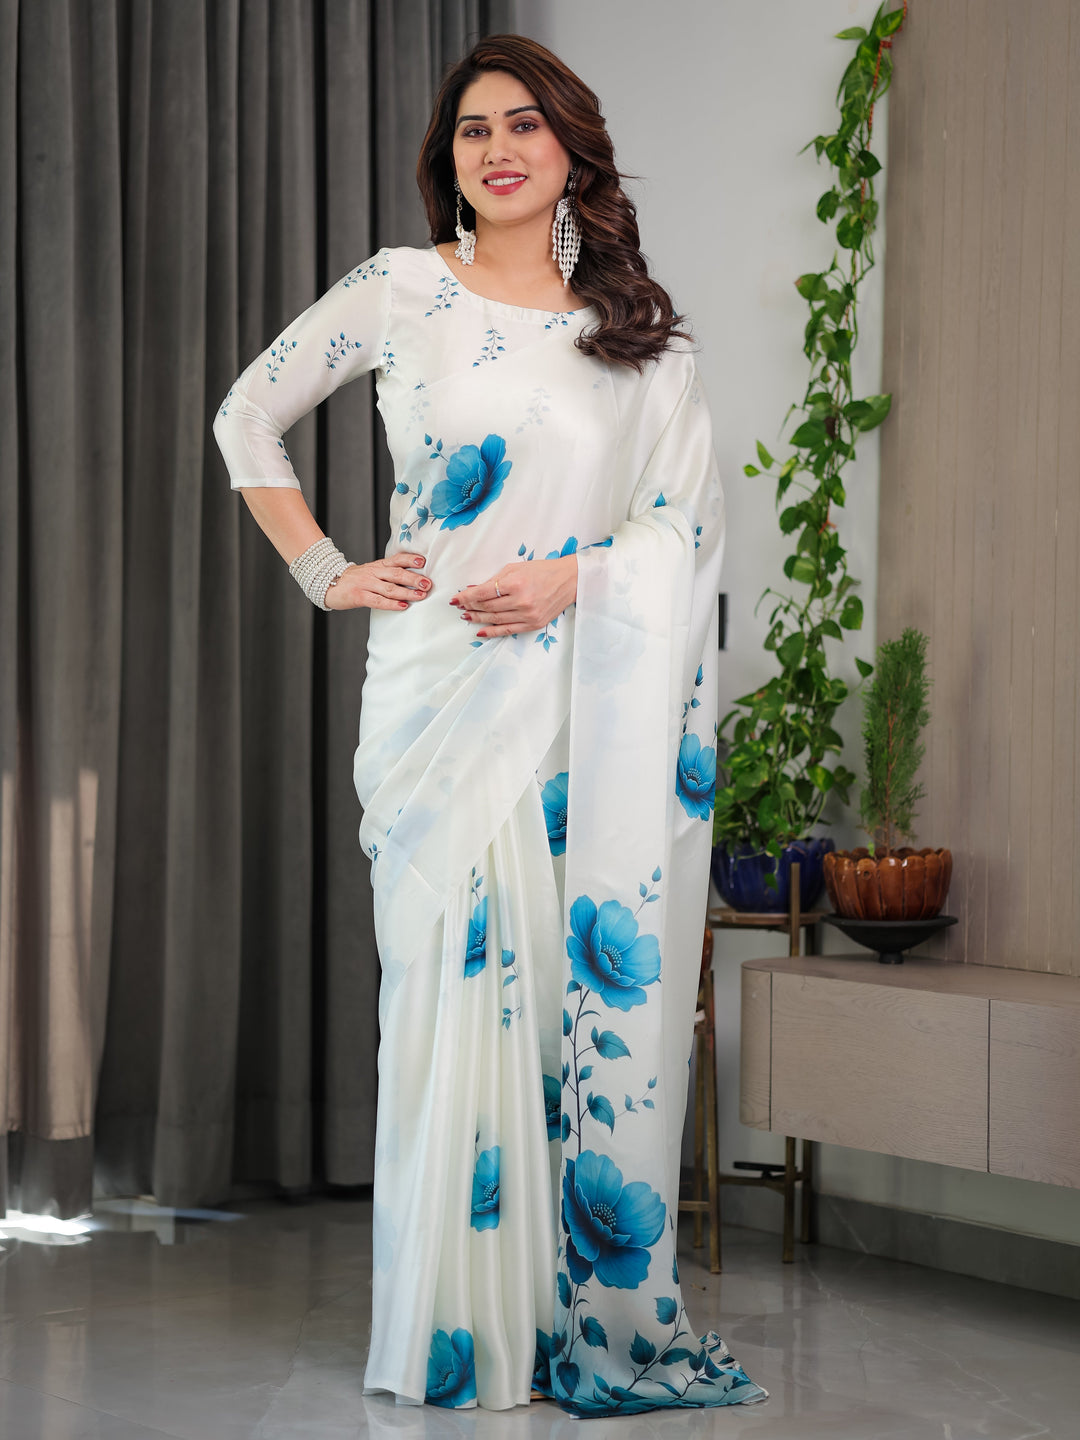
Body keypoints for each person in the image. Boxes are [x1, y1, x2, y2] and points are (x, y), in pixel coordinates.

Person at [214, 33, 766, 1418]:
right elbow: (245, 417)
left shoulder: (638, 343)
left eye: (525, 123)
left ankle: (552, 1329)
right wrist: (325, 570)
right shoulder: (399, 290)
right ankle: (451, 1340)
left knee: (548, 1024)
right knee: (441, 1010)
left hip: (579, 716)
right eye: (473, 129)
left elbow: (686, 528)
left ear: (572, 149)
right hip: (433, 700)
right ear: (447, 159)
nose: (499, 148)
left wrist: (574, 580)